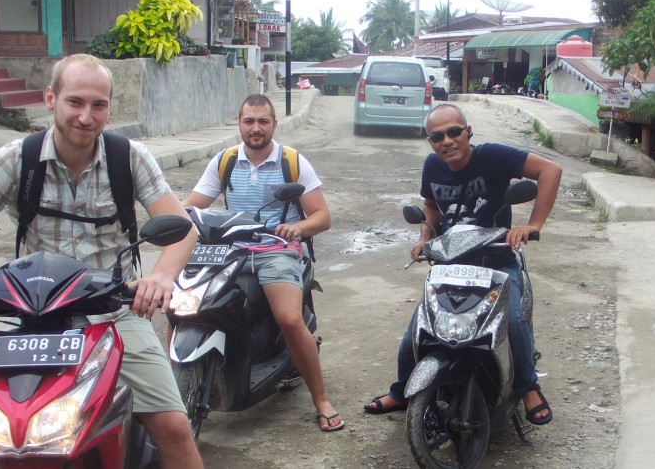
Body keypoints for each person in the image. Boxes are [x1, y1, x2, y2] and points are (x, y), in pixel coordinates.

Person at [0, 54, 204, 469]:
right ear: (50, 98)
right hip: (34, 319)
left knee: (173, 428)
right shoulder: (17, 159)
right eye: (75, 102)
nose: (86, 117)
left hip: (113, 313)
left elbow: (184, 229)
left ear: (110, 106)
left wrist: (160, 277)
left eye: (98, 105)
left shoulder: (129, 158)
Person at [364, 103, 562, 426]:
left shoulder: (493, 157)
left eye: (454, 132)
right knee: (415, 333)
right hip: (450, 267)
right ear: (430, 142)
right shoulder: (432, 166)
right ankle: (402, 392)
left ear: (467, 131)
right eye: (437, 136)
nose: (447, 141)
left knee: (512, 321)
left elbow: (550, 171)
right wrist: (424, 236)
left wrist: (533, 224)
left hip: (496, 263)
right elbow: (430, 205)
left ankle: (527, 385)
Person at [181, 94, 343, 432]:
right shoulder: (225, 160)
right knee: (183, 305)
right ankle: (175, 389)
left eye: (263, 122)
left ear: (274, 124)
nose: (256, 128)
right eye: (249, 121)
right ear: (239, 124)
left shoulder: (292, 161)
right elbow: (192, 205)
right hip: (230, 249)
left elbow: (322, 216)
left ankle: (322, 398)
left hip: (276, 249)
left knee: (288, 318)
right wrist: (177, 219)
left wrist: (296, 227)